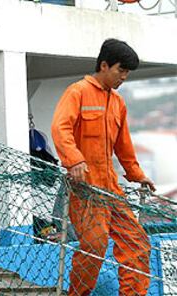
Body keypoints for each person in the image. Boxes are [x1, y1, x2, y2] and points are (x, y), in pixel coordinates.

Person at [51, 39, 156, 296]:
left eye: (127, 73)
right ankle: (78, 294)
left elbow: (124, 146)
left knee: (138, 243)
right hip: (85, 188)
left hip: (111, 187)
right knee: (95, 245)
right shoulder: (77, 92)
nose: (124, 77)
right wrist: (74, 160)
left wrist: (137, 175)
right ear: (104, 65)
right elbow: (60, 127)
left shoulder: (118, 103)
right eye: (121, 71)